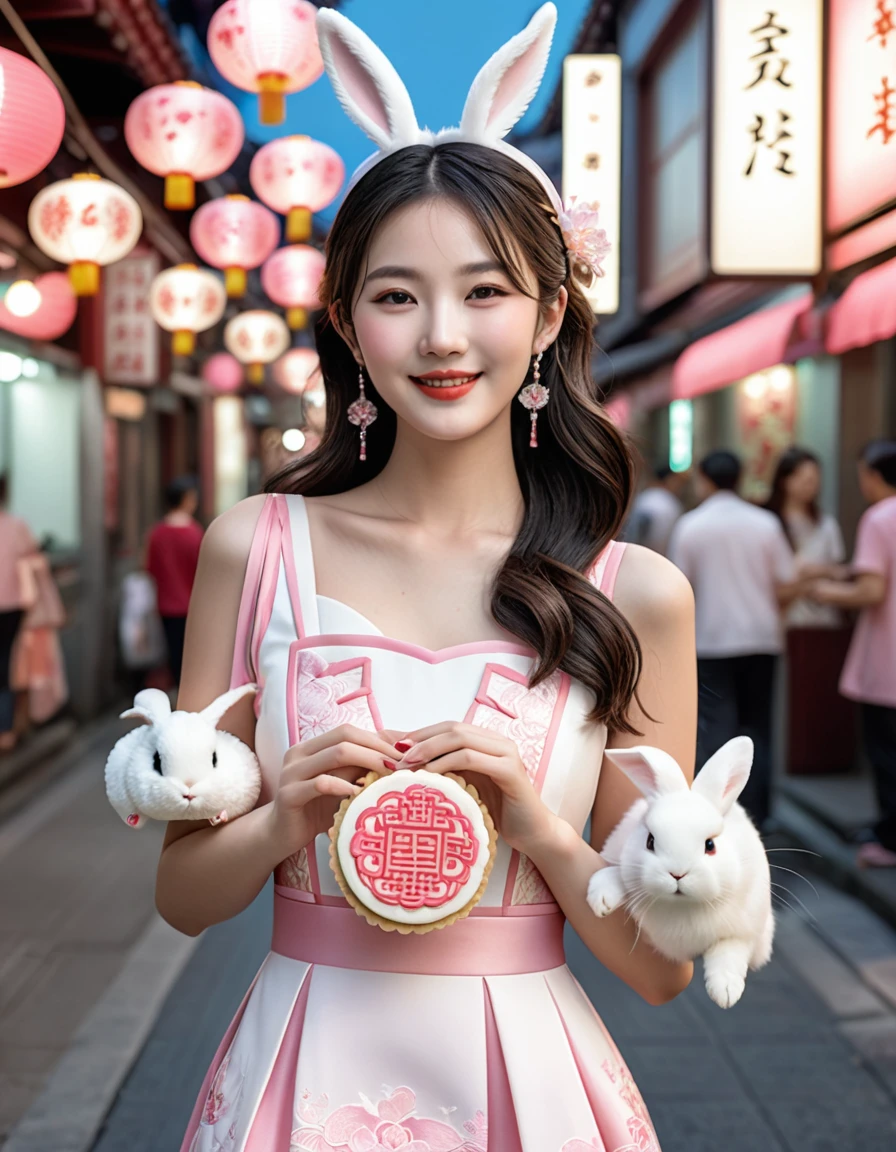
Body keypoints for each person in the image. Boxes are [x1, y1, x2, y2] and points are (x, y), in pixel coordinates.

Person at [158, 8, 697, 1149]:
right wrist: (278, 819)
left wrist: (543, 837)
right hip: (295, 1072)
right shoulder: (256, 550)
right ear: (347, 323)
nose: (442, 337)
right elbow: (183, 898)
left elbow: (661, 970)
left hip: (528, 1087)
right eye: (396, 296)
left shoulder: (633, 589)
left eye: (486, 292)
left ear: (550, 313)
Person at [668, 450, 801, 830]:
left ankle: (718, 812)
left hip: (711, 640)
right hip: (761, 638)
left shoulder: (691, 525)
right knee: (759, 725)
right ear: (739, 478)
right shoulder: (765, 523)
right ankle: (761, 812)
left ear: (705, 480)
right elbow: (786, 582)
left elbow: (680, 587)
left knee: (718, 728)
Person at [812, 441, 896, 868]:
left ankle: (889, 840)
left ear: (876, 475)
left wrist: (823, 589)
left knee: (886, 753)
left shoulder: (880, 517)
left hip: (888, 659)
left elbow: (873, 589)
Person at [765, 447, 854, 774]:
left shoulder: (825, 522)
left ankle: (814, 757)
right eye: (803, 479)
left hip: (822, 620)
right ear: (785, 480)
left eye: (815, 480)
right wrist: (816, 572)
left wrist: (808, 572)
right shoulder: (770, 521)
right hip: (783, 620)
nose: (810, 486)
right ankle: (784, 763)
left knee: (816, 692)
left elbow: (840, 569)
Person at [144, 476, 204, 687]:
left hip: (165, 605)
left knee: (173, 653)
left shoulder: (157, 533)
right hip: (192, 605)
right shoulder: (194, 533)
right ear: (186, 499)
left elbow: (150, 569)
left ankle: (177, 692)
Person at [0, 473, 39, 752]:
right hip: (11, 606)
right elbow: (34, 563)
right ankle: (5, 729)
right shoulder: (16, 526)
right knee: (5, 664)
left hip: (12, 605)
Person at [625, 464, 688, 555]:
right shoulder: (669, 502)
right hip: (660, 556)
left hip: (637, 553)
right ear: (669, 480)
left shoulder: (644, 497)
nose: (679, 486)